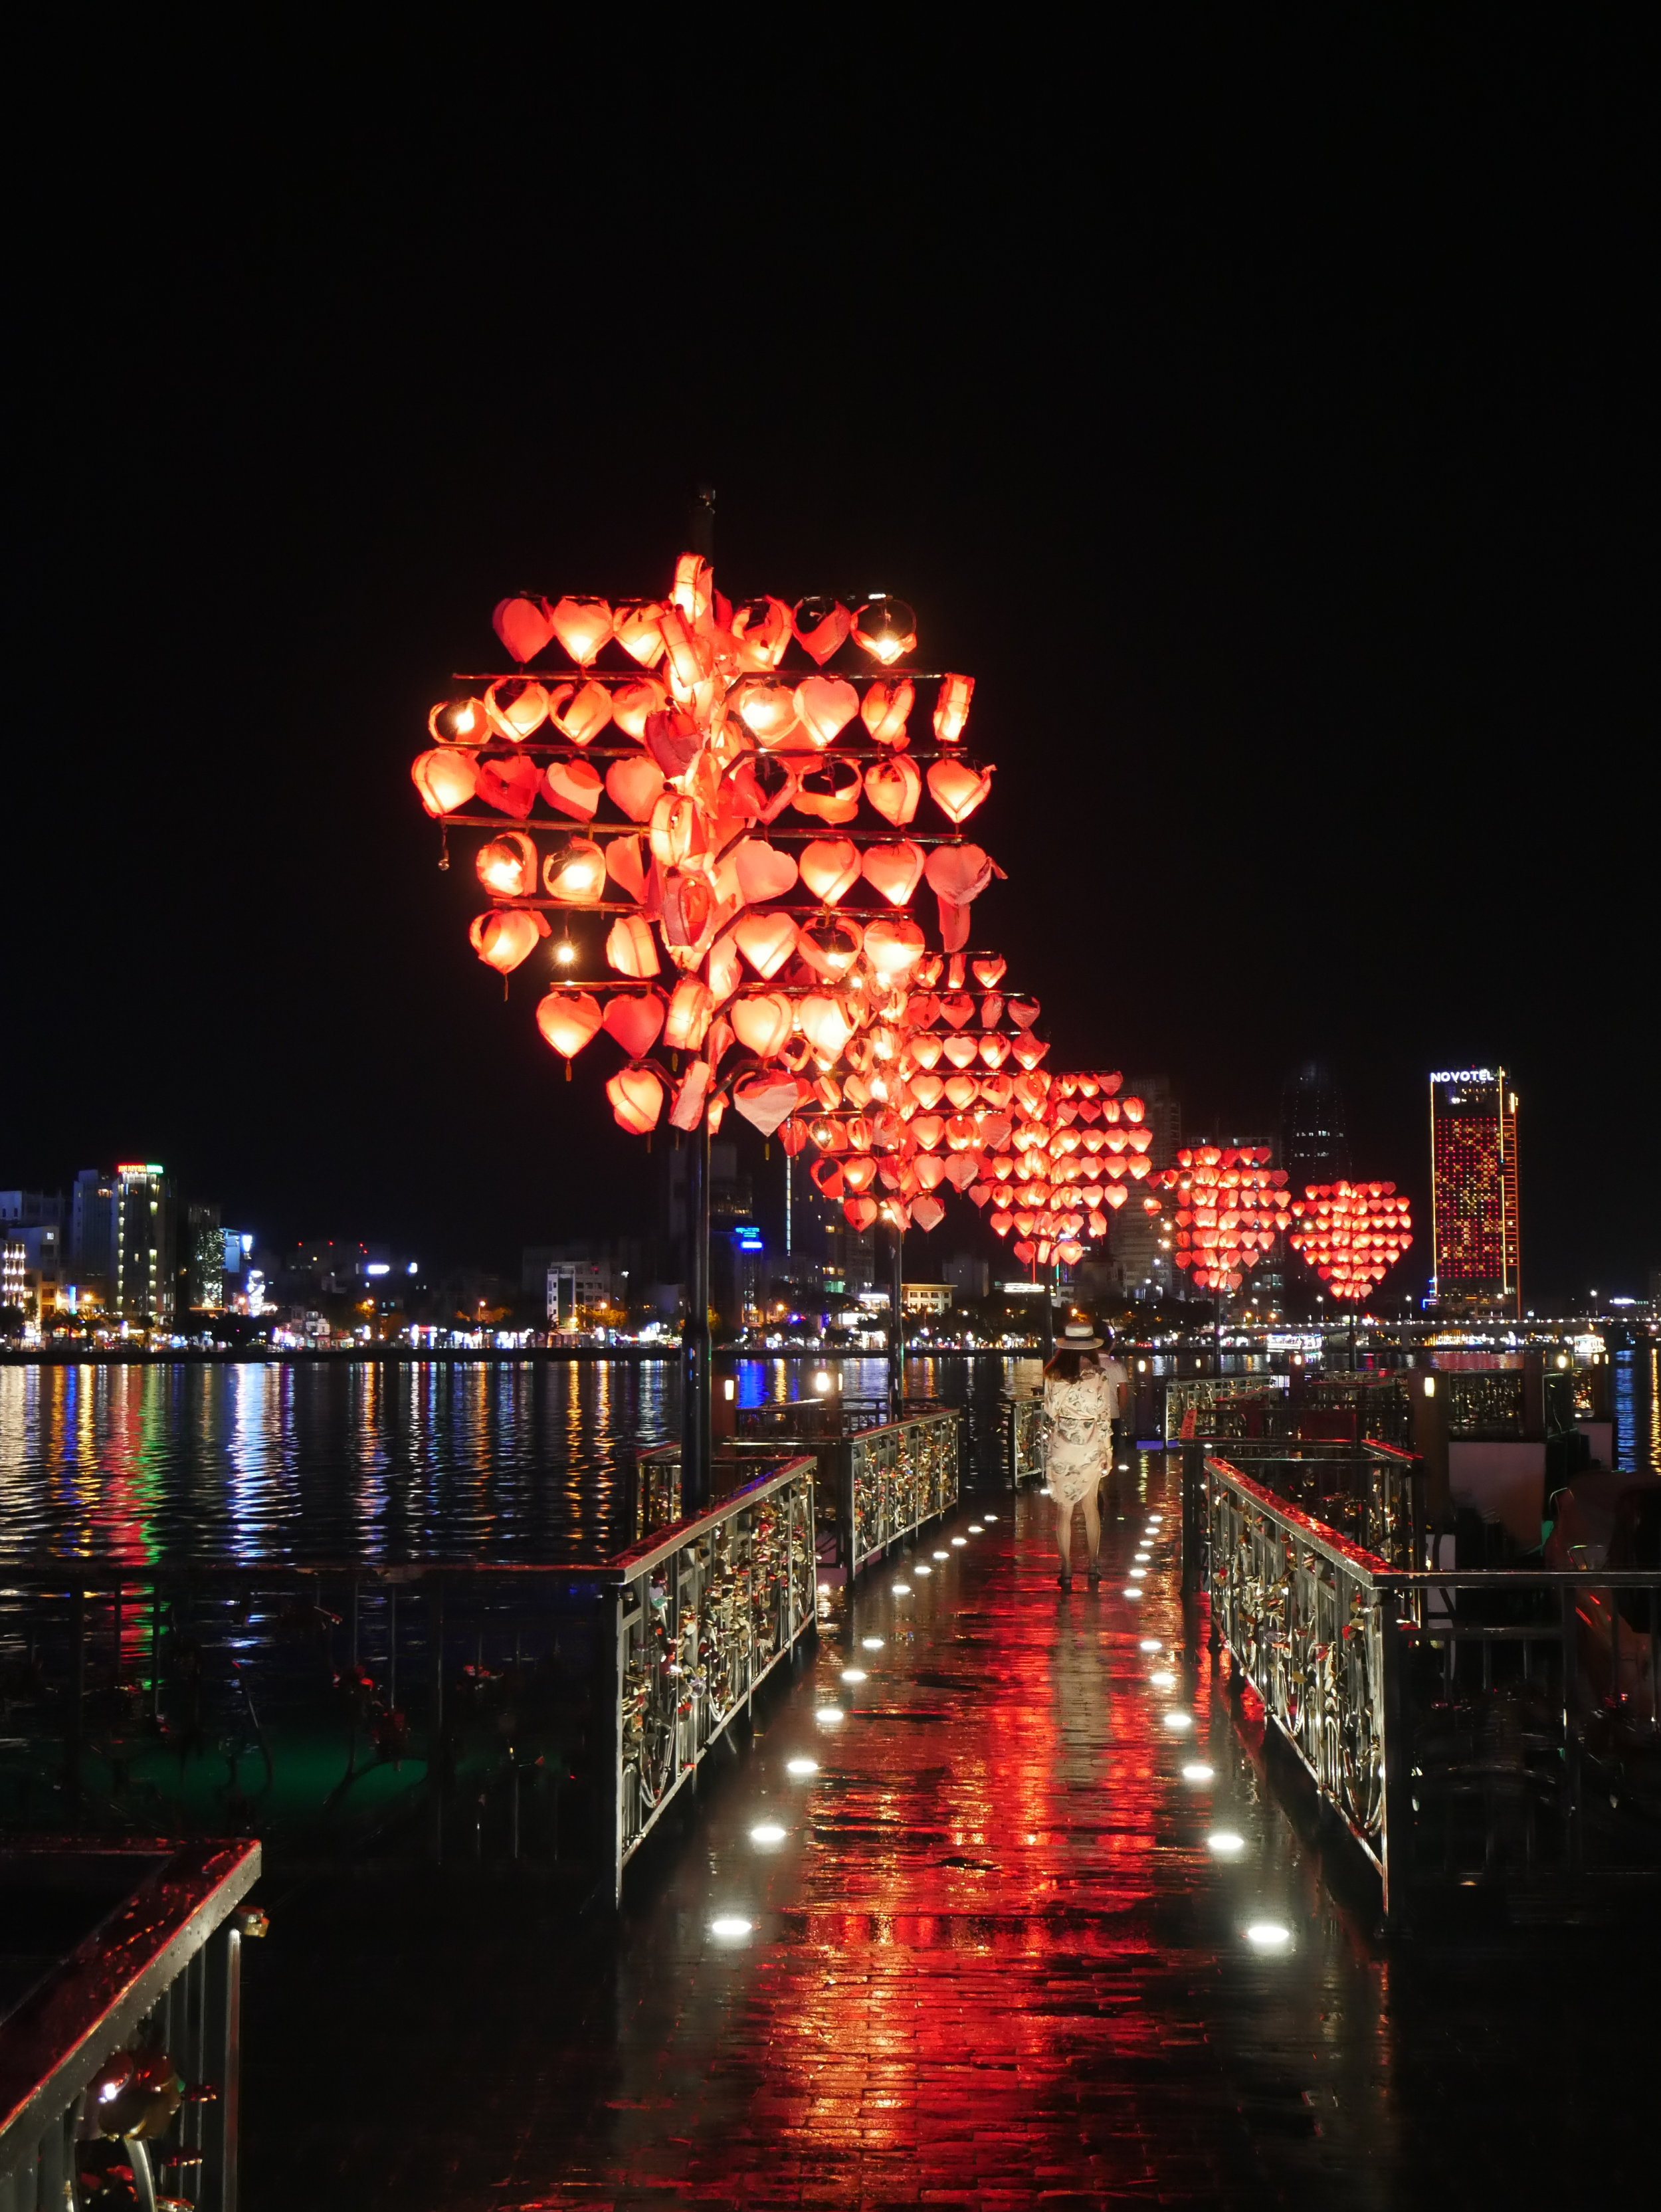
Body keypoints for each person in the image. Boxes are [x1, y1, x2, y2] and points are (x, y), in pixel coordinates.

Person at [1042, 1322, 1130, 1589]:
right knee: (1091, 1506)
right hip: (1091, 1444)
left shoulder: (1053, 1374)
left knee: (1064, 1510)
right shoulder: (1099, 1375)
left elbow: (1050, 1411)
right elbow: (1104, 1416)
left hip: (1063, 1445)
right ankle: (1093, 1565)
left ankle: (1067, 1569)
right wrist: (1108, 1452)